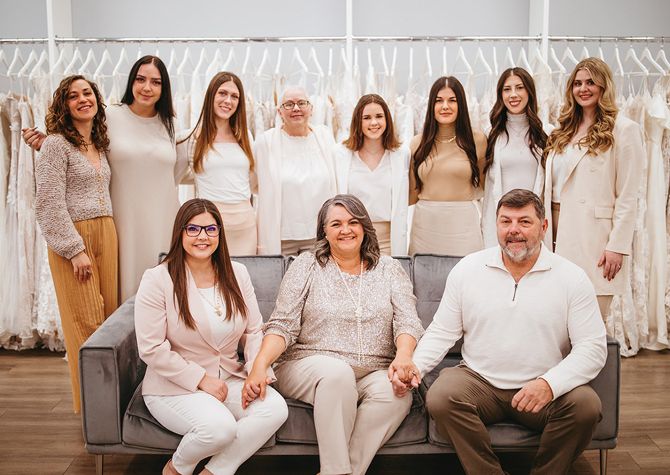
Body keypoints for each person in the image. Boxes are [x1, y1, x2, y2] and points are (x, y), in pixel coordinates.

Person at [393, 189, 607, 475]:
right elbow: (443, 331)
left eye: (524, 222)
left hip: (542, 386)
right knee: (442, 395)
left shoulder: (572, 277)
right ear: (495, 225)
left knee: (586, 406)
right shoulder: (467, 269)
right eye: (505, 222)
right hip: (480, 382)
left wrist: (549, 383)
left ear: (543, 227)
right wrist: (414, 367)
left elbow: (592, 348)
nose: (514, 230)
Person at [243, 194, 424, 475]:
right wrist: (260, 365)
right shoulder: (307, 265)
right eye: (336, 224)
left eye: (353, 222)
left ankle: (340, 472)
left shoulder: (389, 268)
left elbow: (407, 321)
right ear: (324, 232)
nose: (346, 230)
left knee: (396, 393)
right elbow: (282, 324)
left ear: (364, 227)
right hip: (308, 364)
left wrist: (402, 357)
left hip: (373, 369)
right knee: (337, 373)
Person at [134, 198, 287, 475]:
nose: (203, 236)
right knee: (220, 429)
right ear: (180, 233)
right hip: (175, 386)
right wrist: (201, 379)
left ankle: (215, 471)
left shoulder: (237, 273)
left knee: (275, 409)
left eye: (210, 229)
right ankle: (176, 468)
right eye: (193, 229)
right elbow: (151, 348)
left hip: (229, 376)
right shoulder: (158, 279)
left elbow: (254, 330)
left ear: (219, 233)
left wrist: (255, 370)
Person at [24, 55, 186, 302]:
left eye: (156, 82)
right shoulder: (109, 116)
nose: (146, 87)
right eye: (140, 79)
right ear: (131, 82)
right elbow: (81, 148)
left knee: (161, 292)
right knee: (119, 296)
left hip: (163, 219)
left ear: (164, 88)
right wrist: (45, 142)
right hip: (119, 221)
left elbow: (176, 174)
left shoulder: (171, 124)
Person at [34, 75, 119, 413]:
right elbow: (48, 203)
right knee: (86, 325)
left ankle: (110, 403)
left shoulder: (99, 144)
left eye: (88, 93)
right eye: (74, 96)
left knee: (109, 319)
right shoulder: (55, 145)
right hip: (76, 239)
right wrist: (73, 249)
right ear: (64, 105)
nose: (83, 99)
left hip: (107, 234)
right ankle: (93, 410)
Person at [543, 57, 644, 320]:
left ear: (604, 86)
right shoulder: (563, 130)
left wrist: (618, 245)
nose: (583, 89)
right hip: (554, 229)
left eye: (590, 82)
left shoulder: (624, 129)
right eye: (577, 83)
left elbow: (628, 195)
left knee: (589, 321)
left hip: (594, 237)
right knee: (555, 319)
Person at [178, 71, 257, 256]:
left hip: (245, 225)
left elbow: (251, 179)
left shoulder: (245, 136)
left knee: (243, 281)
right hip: (210, 227)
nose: (228, 100)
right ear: (211, 95)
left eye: (234, 96)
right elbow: (174, 177)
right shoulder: (191, 138)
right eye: (222, 93)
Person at [254, 86, 337, 255]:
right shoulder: (265, 143)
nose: (296, 108)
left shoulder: (325, 137)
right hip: (282, 238)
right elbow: (255, 184)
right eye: (289, 104)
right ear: (279, 112)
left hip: (320, 236)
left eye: (301, 103)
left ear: (311, 109)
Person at [409, 76, 487, 256]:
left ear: (461, 105)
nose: (445, 106)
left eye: (452, 100)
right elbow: (411, 194)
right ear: (431, 106)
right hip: (425, 227)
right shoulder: (416, 144)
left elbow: (485, 187)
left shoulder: (478, 141)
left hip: (464, 227)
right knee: (423, 280)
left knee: (468, 281)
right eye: (439, 101)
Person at [334, 94, 410, 256]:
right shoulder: (341, 154)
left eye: (379, 116)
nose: (374, 123)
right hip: (352, 240)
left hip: (388, 242)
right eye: (367, 118)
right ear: (358, 122)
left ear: (387, 120)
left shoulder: (401, 154)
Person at [481, 67, 548, 247]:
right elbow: (488, 189)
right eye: (507, 89)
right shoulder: (492, 135)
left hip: (532, 221)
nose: (513, 94)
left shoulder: (546, 134)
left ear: (529, 91)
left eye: (519, 88)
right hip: (503, 222)